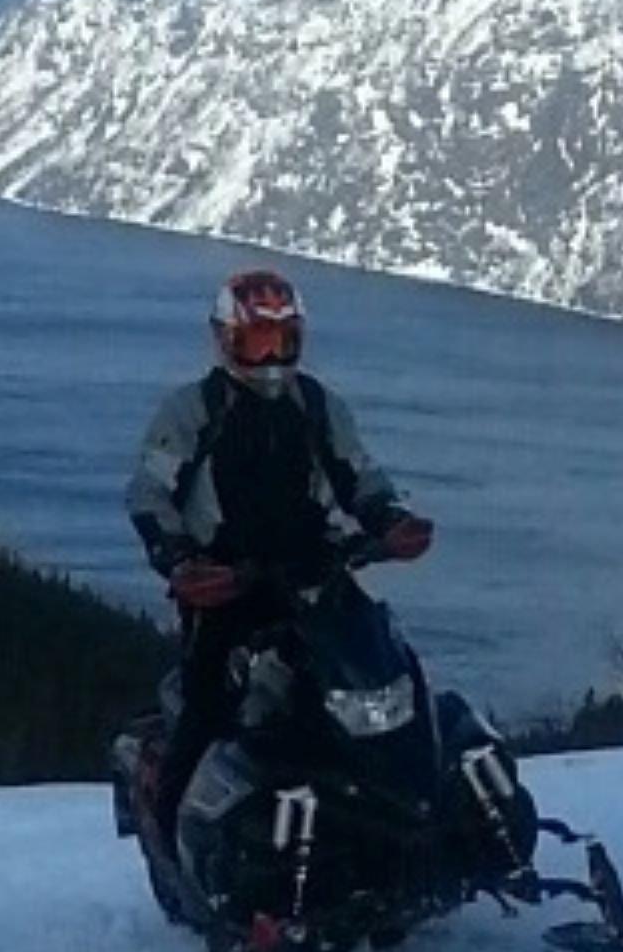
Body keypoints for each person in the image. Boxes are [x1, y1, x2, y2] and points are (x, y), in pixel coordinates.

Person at [123, 267, 429, 851]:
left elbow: (359, 474)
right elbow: (150, 491)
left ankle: (401, 820)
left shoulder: (316, 406)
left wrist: (389, 520)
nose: (271, 355)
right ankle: (174, 843)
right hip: (227, 585)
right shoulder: (194, 411)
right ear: (226, 340)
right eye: (258, 341)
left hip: (317, 573)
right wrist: (180, 559)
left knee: (383, 667)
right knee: (210, 707)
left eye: (283, 340)